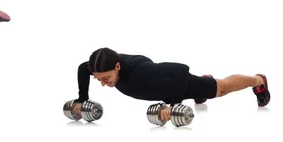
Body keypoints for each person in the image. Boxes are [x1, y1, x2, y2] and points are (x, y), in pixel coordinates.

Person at [71, 47, 271, 122]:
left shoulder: (141, 70)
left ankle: (258, 80)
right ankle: (200, 88)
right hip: (164, 86)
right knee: (202, 90)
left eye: (106, 78)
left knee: (220, 88)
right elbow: (82, 68)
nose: (104, 84)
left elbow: (178, 71)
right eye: (99, 79)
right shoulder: (100, 66)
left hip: (176, 83)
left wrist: (174, 106)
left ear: (117, 66)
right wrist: (82, 99)